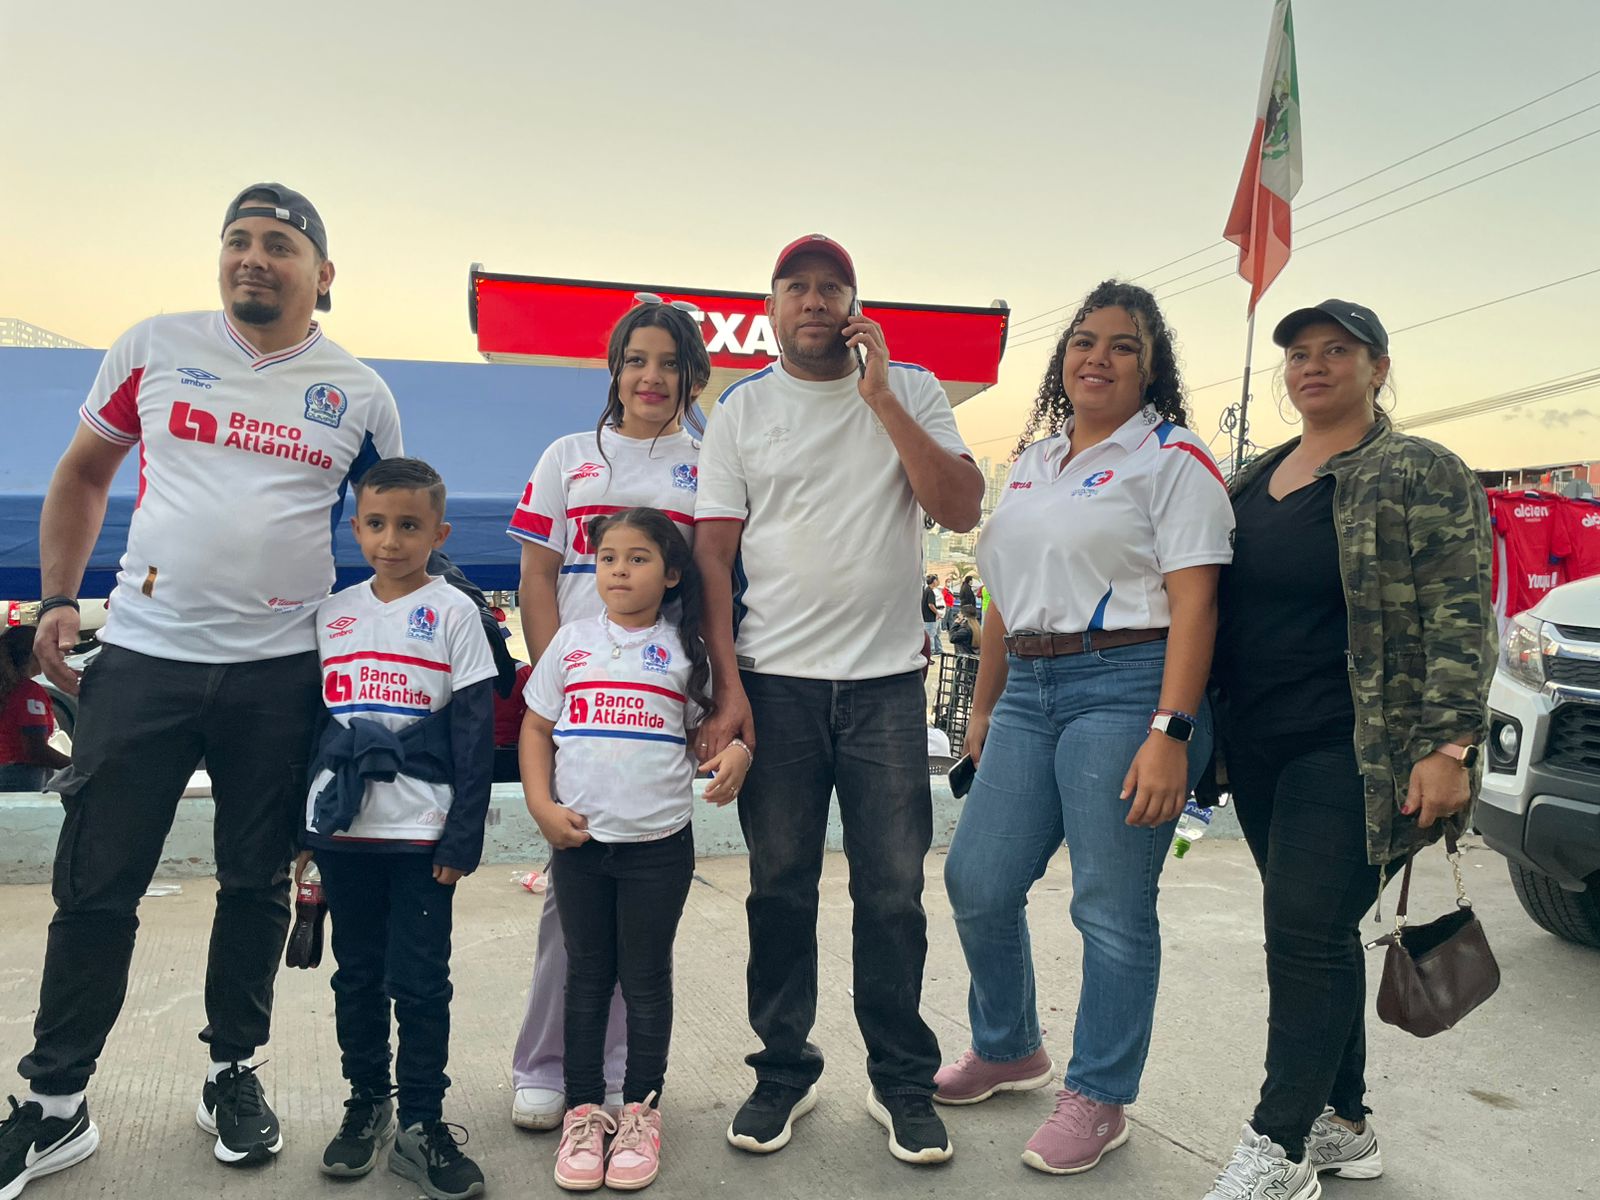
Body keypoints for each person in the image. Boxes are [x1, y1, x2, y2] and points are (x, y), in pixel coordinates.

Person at [0, 182, 401, 1196]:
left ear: (324, 274)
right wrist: (57, 596)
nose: (253, 259)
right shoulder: (150, 346)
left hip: (281, 672)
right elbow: (85, 473)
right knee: (97, 883)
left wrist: (382, 671)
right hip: (142, 659)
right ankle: (55, 1105)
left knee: (257, 882)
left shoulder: (358, 393)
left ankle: (233, 1073)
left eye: (278, 244)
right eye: (237, 241)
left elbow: (395, 534)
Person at [695, 234, 983, 1165]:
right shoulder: (741, 410)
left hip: (887, 688)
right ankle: (784, 1069)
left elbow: (962, 506)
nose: (815, 302)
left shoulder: (915, 388)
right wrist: (728, 687)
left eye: (833, 288)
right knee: (780, 888)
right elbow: (713, 555)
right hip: (775, 686)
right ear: (771, 310)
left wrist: (885, 399)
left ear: (856, 305)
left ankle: (901, 1079)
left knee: (893, 893)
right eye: (797, 289)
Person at [936, 280, 1234, 1176]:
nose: (1097, 358)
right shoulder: (1032, 462)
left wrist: (1172, 731)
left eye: (1123, 346)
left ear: (1152, 368)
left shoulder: (1174, 457)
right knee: (977, 879)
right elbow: (998, 596)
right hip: (1028, 686)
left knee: (1108, 902)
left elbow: (1197, 603)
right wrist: (984, 706)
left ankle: (1100, 1095)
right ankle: (1009, 1045)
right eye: (1084, 342)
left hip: (1130, 683)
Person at [1203, 300, 1492, 1200]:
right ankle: (1347, 1125)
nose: (1312, 366)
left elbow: (1461, 607)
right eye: (1298, 354)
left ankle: (1280, 1146)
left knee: (1302, 932)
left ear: (1377, 365)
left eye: (1336, 351)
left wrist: (1450, 744)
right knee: (1316, 936)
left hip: (1358, 744)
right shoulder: (1256, 478)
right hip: (1257, 742)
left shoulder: (1418, 470)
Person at [504, 297, 710, 1130]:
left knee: (641, 930)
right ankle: (547, 1065)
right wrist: (566, 688)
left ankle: (624, 1078)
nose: (651, 378)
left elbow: (724, 589)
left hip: (660, 705)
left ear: (693, 374)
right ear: (615, 370)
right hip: (582, 708)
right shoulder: (566, 458)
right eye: (635, 360)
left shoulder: (711, 461)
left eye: (668, 363)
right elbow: (536, 580)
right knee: (573, 901)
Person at [521, 508, 748, 1192]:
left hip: (657, 848)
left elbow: (716, 736)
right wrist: (541, 805)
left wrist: (736, 754)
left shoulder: (689, 652)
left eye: (639, 557)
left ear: (672, 573)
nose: (619, 569)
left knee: (646, 980)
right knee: (587, 978)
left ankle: (642, 1111)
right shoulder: (570, 643)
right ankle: (585, 1113)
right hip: (582, 845)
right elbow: (536, 727)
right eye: (608, 557)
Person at [296, 458, 493, 1200]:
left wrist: (461, 837)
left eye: (409, 526)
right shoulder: (334, 613)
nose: (390, 540)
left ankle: (420, 1123)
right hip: (342, 834)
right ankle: (366, 1103)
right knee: (356, 976)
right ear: (355, 528)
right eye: (376, 524)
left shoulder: (455, 613)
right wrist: (303, 833)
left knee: (419, 983)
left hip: (421, 837)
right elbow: (311, 729)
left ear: (438, 531)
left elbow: (475, 735)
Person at [0, 627, 70, 792]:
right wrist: (75, 767)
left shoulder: (9, 689)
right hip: (17, 777)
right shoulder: (29, 693)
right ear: (36, 654)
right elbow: (35, 750)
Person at [922, 574, 944, 657]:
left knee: (931, 634)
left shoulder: (926, 590)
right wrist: (937, 613)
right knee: (931, 635)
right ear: (933, 581)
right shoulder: (930, 591)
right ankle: (931, 651)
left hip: (926, 617)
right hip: (929, 617)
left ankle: (933, 650)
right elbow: (930, 604)